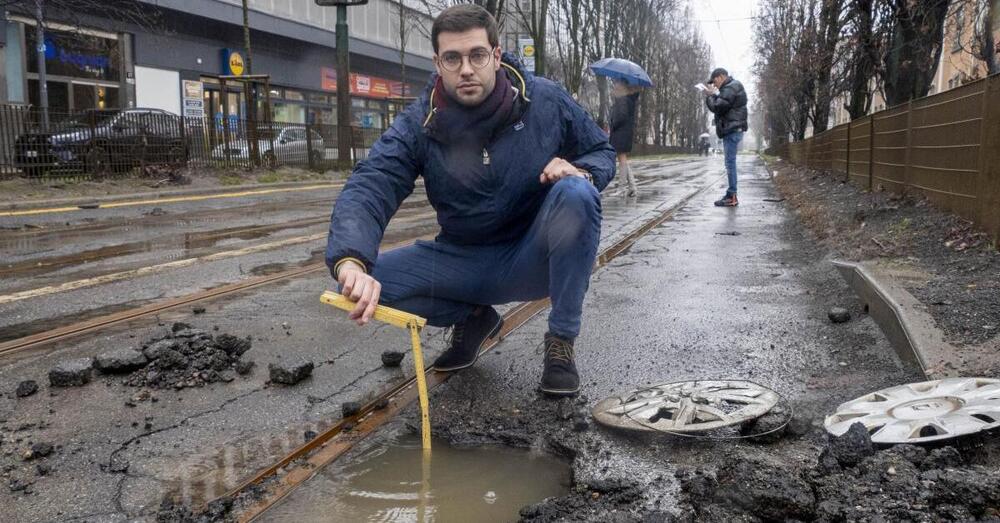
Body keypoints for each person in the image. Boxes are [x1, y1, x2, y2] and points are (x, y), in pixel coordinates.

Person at [325, 5, 615, 397]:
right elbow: (373, 181)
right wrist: (350, 259)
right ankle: (475, 316)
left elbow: (601, 152)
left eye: (477, 55)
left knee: (577, 192)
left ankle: (561, 342)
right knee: (364, 285)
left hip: (531, 256)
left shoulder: (545, 100)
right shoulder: (421, 122)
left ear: (496, 56)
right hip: (461, 259)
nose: (466, 68)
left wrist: (580, 169)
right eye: (452, 58)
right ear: (437, 62)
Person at [704, 67, 748, 207]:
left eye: (714, 81)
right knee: (730, 162)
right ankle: (731, 194)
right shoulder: (731, 87)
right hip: (733, 129)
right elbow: (723, 104)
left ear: (721, 76)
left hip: (732, 129)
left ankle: (732, 196)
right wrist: (714, 95)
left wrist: (710, 95)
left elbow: (718, 107)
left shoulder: (730, 87)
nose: (714, 84)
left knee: (730, 163)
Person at [609, 80, 641, 196]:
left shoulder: (623, 99)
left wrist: (613, 123)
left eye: (616, 86)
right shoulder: (629, 99)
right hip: (624, 133)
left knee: (622, 160)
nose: (614, 88)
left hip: (620, 133)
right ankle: (632, 187)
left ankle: (621, 188)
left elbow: (621, 116)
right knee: (624, 160)